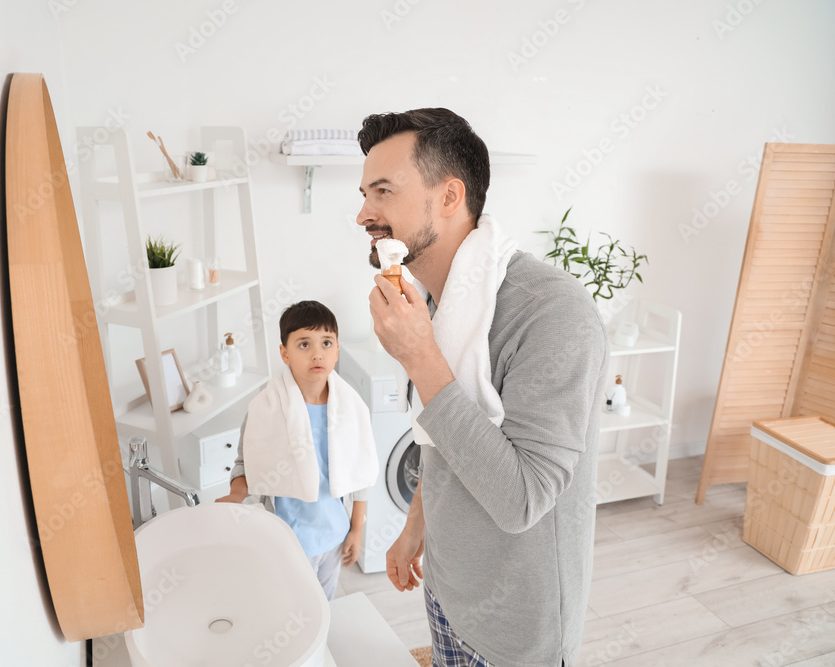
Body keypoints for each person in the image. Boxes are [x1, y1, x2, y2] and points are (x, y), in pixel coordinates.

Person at [358, 108, 609, 666]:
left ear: (449, 197)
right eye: (364, 193)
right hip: (447, 590)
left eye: (382, 192)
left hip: (515, 632)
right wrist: (414, 523)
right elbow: (441, 436)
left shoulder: (552, 313)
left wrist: (420, 355)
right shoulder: (436, 300)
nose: (363, 213)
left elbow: (522, 499)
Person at [216, 300, 377, 601]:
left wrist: (355, 528)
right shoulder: (265, 408)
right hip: (286, 540)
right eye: (304, 344)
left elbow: (362, 469)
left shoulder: (351, 407)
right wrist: (238, 494)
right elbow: (244, 464)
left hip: (332, 536)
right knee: (288, 608)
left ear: (337, 349)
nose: (317, 353)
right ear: (285, 353)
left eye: (326, 343)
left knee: (322, 608)